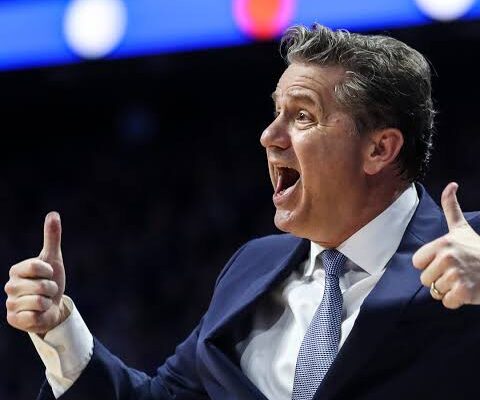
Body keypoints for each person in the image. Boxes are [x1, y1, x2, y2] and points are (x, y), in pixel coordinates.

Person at [5, 24, 480, 400]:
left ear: (379, 149)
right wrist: (58, 329)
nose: (269, 136)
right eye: (276, 113)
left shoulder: (468, 254)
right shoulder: (251, 267)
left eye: (302, 116)